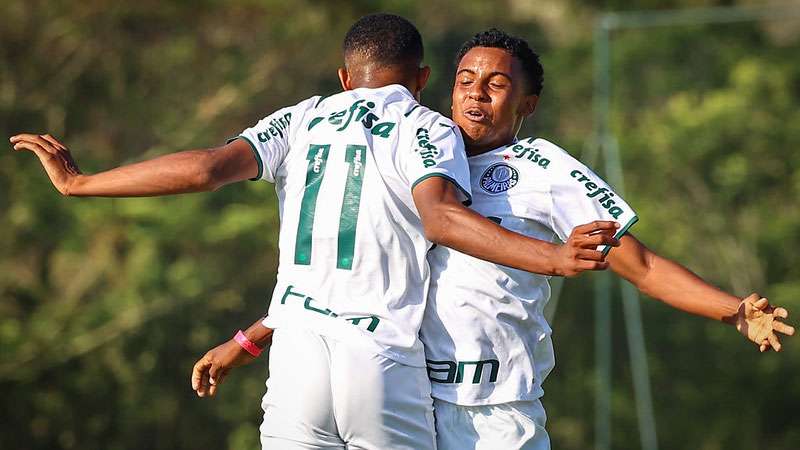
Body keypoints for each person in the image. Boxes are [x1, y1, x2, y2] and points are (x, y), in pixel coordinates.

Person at [10, 15, 618, 450]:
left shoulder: (300, 118)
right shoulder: (429, 129)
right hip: (381, 358)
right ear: (423, 78)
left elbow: (204, 169)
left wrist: (81, 183)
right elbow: (442, 220)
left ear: (344, 75)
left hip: (297, 354)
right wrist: (556, 258)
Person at [192, 28, 795, 450]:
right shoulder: (412, 158)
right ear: (442, 89)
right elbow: (344, 282)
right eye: (466, 79)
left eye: (497, 84)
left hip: (494, 415)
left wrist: (731, 309)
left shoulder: (544, 168)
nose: (476, 93)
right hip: (406, 399)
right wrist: (247, 342)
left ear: (526, 104)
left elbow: (640, 263)